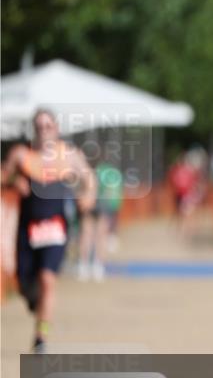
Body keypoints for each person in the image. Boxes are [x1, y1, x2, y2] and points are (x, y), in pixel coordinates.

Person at [1, 109, 96, 352]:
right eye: (39, 126)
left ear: (56, 128)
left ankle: (41, 337)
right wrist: (13, 181)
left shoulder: (70, 155)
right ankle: (36, 302)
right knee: (25, 284)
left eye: (48, 126)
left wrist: (88, 196)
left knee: (48, 280)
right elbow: (2, 175)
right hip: (28, 230)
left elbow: (90, 180)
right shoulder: (22, 155)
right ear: (34, 130)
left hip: (56, 228)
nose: (44, 131)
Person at [75, 148, 124, 282]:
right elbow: (112, 190)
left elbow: (79, 188)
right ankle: (97, 266)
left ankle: (84, 265)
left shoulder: (84, 170)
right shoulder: (106, 171)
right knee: (99, 236)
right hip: (101, 204)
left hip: (89, 204)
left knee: (86, 234)